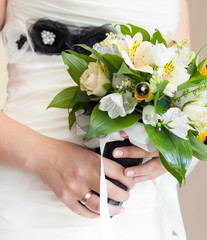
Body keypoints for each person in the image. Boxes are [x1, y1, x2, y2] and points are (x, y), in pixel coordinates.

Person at [0, 0, 190, 239]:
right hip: (32, 194)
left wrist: (172, 147)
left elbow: (180, 84)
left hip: (138, 207)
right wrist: (45, 159)